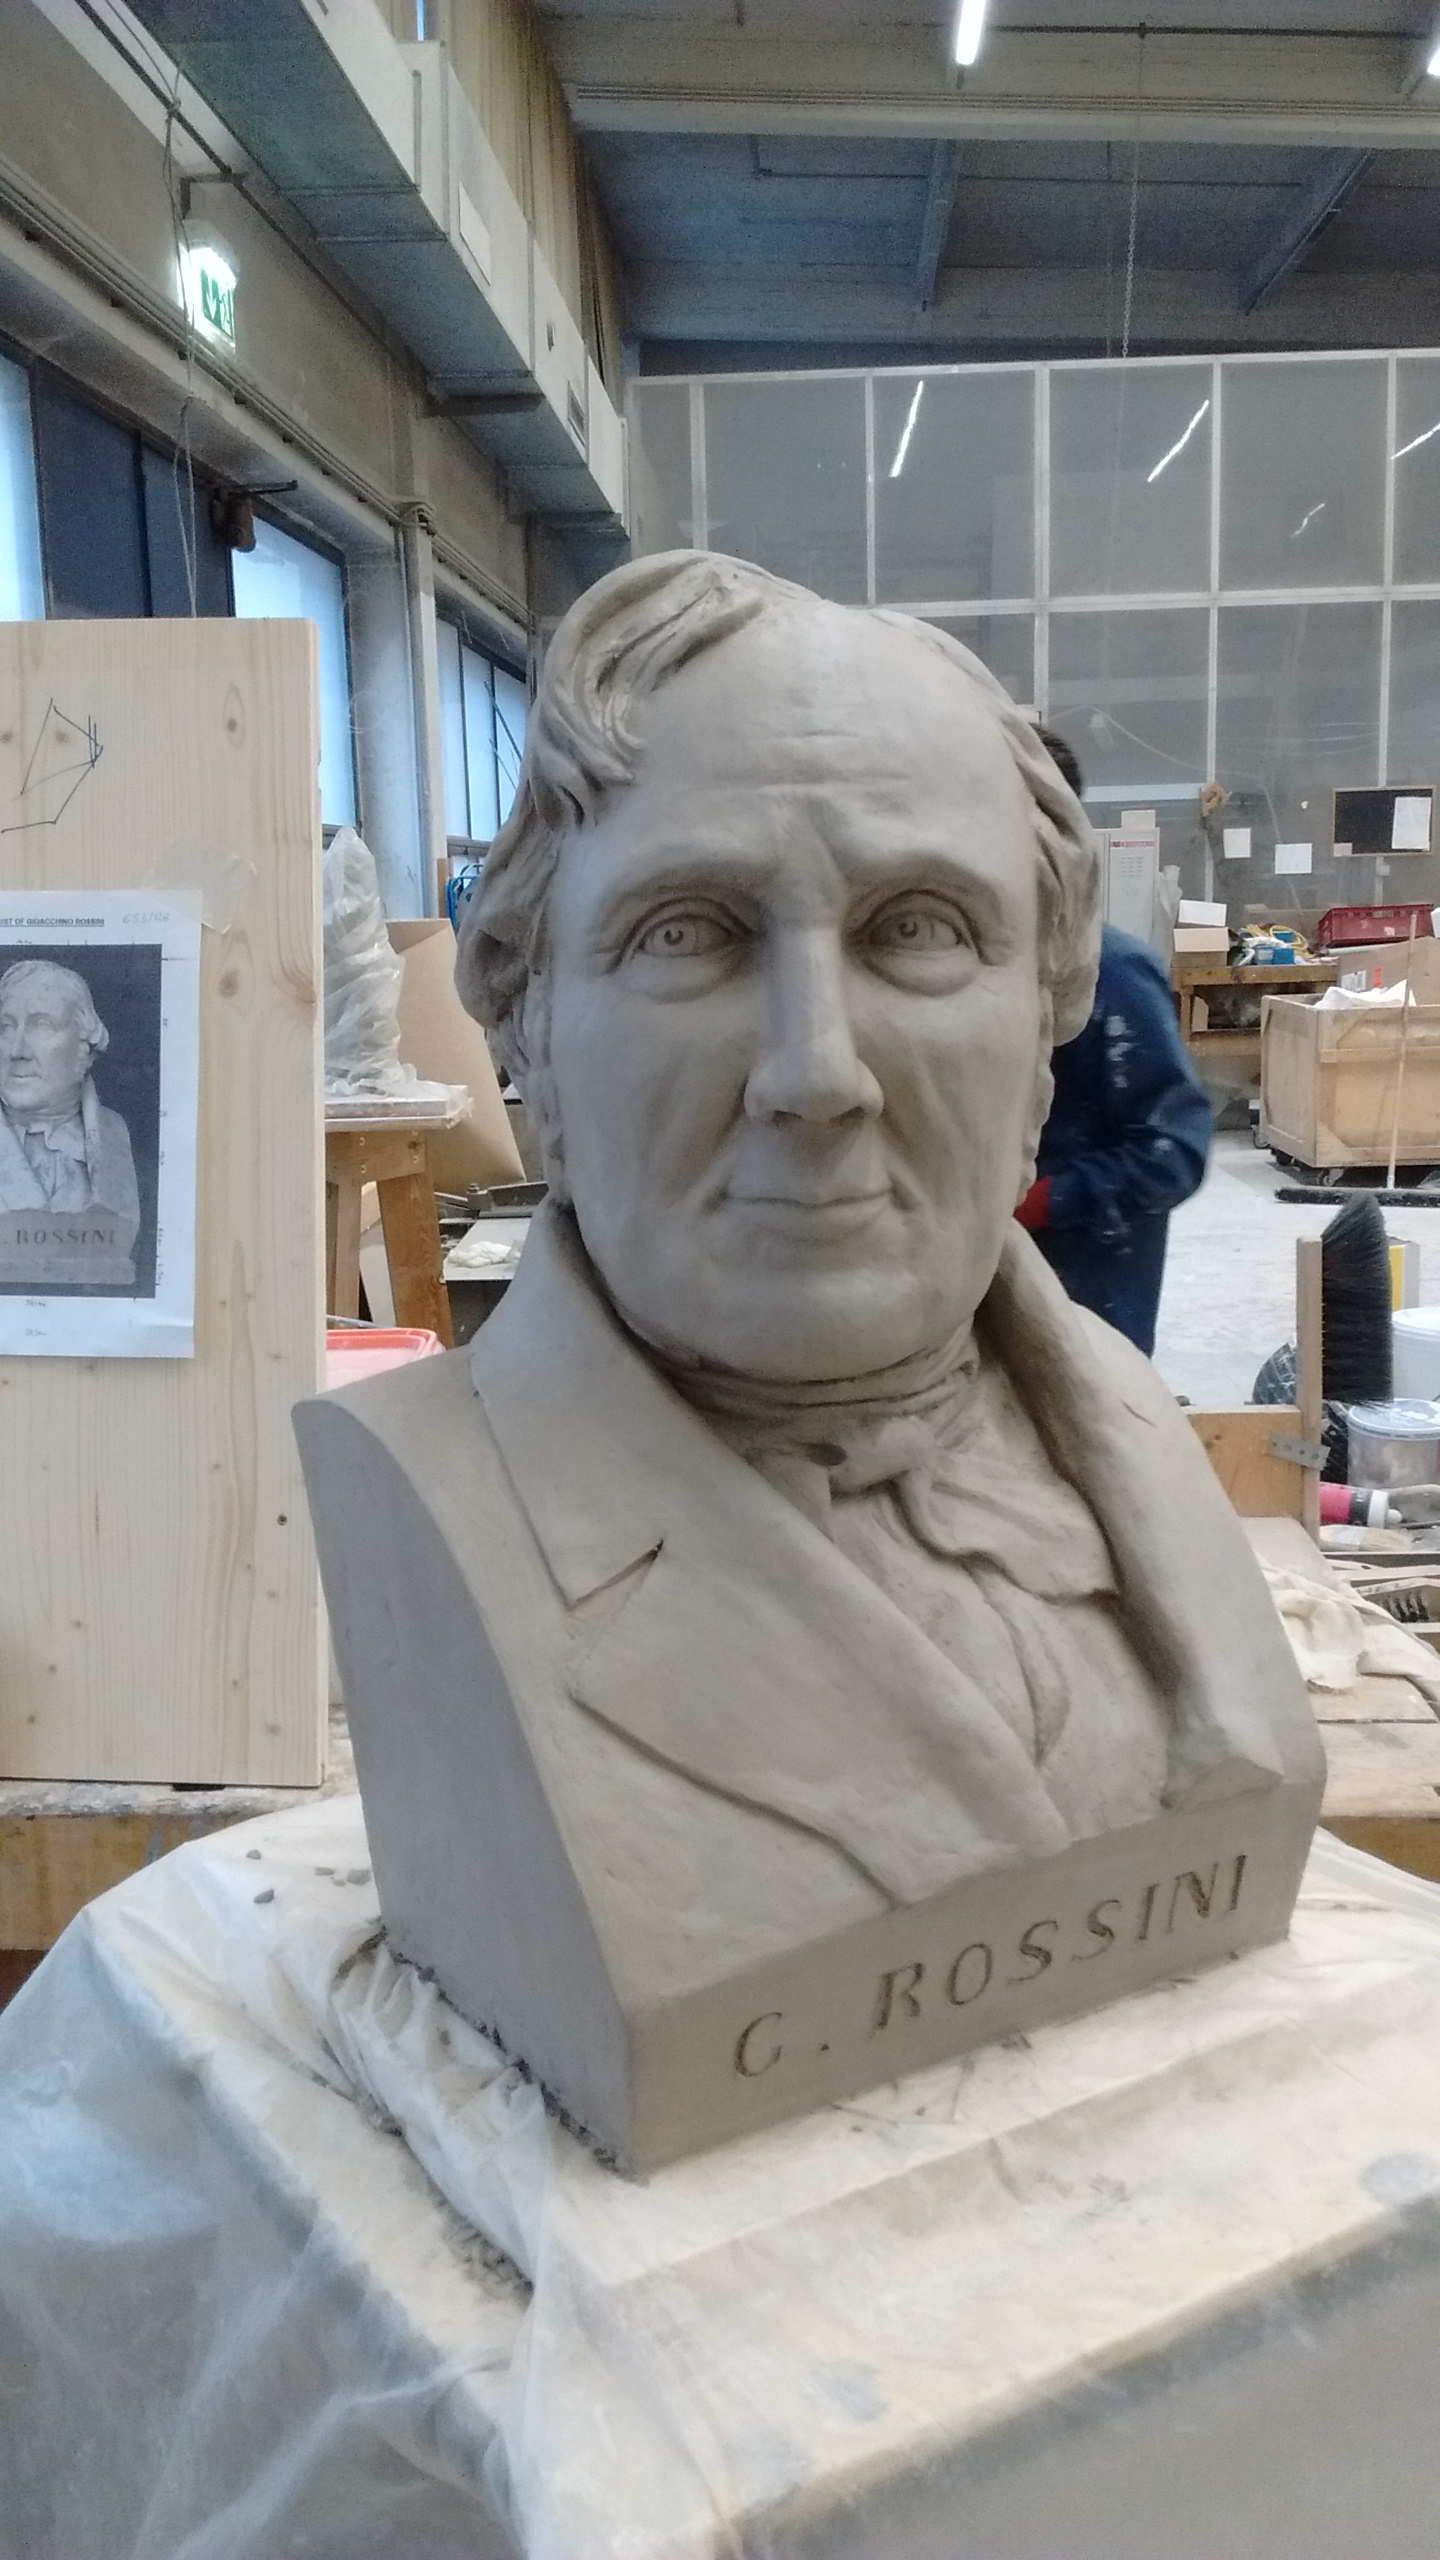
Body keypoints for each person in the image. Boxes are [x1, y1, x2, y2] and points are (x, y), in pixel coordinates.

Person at [298, 552, 1315, 2003]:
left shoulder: (1142, 1444)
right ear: (526, 1018)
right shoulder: (422, 1509)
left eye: (919, 931)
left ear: (1048, 1018)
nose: (816, 1073)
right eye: (687, 935)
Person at [1014, 731, 1212, 1356]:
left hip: (1089, 1307)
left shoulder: (1116, 977)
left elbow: (1172, 1152)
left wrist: (1046, 1201)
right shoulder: (972, 973)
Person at [0, 958, 140, 1225]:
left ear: (84, 1045)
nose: (17, 1051)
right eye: (6, 1027)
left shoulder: (113, 1134)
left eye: (42, 1025)